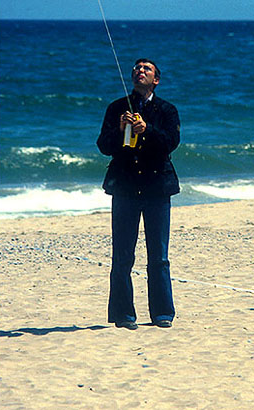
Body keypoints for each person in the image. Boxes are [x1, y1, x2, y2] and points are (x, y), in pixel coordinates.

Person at [97, 58, 181, 329]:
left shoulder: (167, 110)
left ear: (156, 79)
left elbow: (171, 142)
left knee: (159, 255)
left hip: (157, 188)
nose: (139, 72)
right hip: (125, 187)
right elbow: (104, 146)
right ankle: (123, 314)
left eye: (146, 69)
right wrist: (120, 128)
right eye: (137, 68)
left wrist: (149, 130)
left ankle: (162, 313)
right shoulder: (117, 108)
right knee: (122, 254)